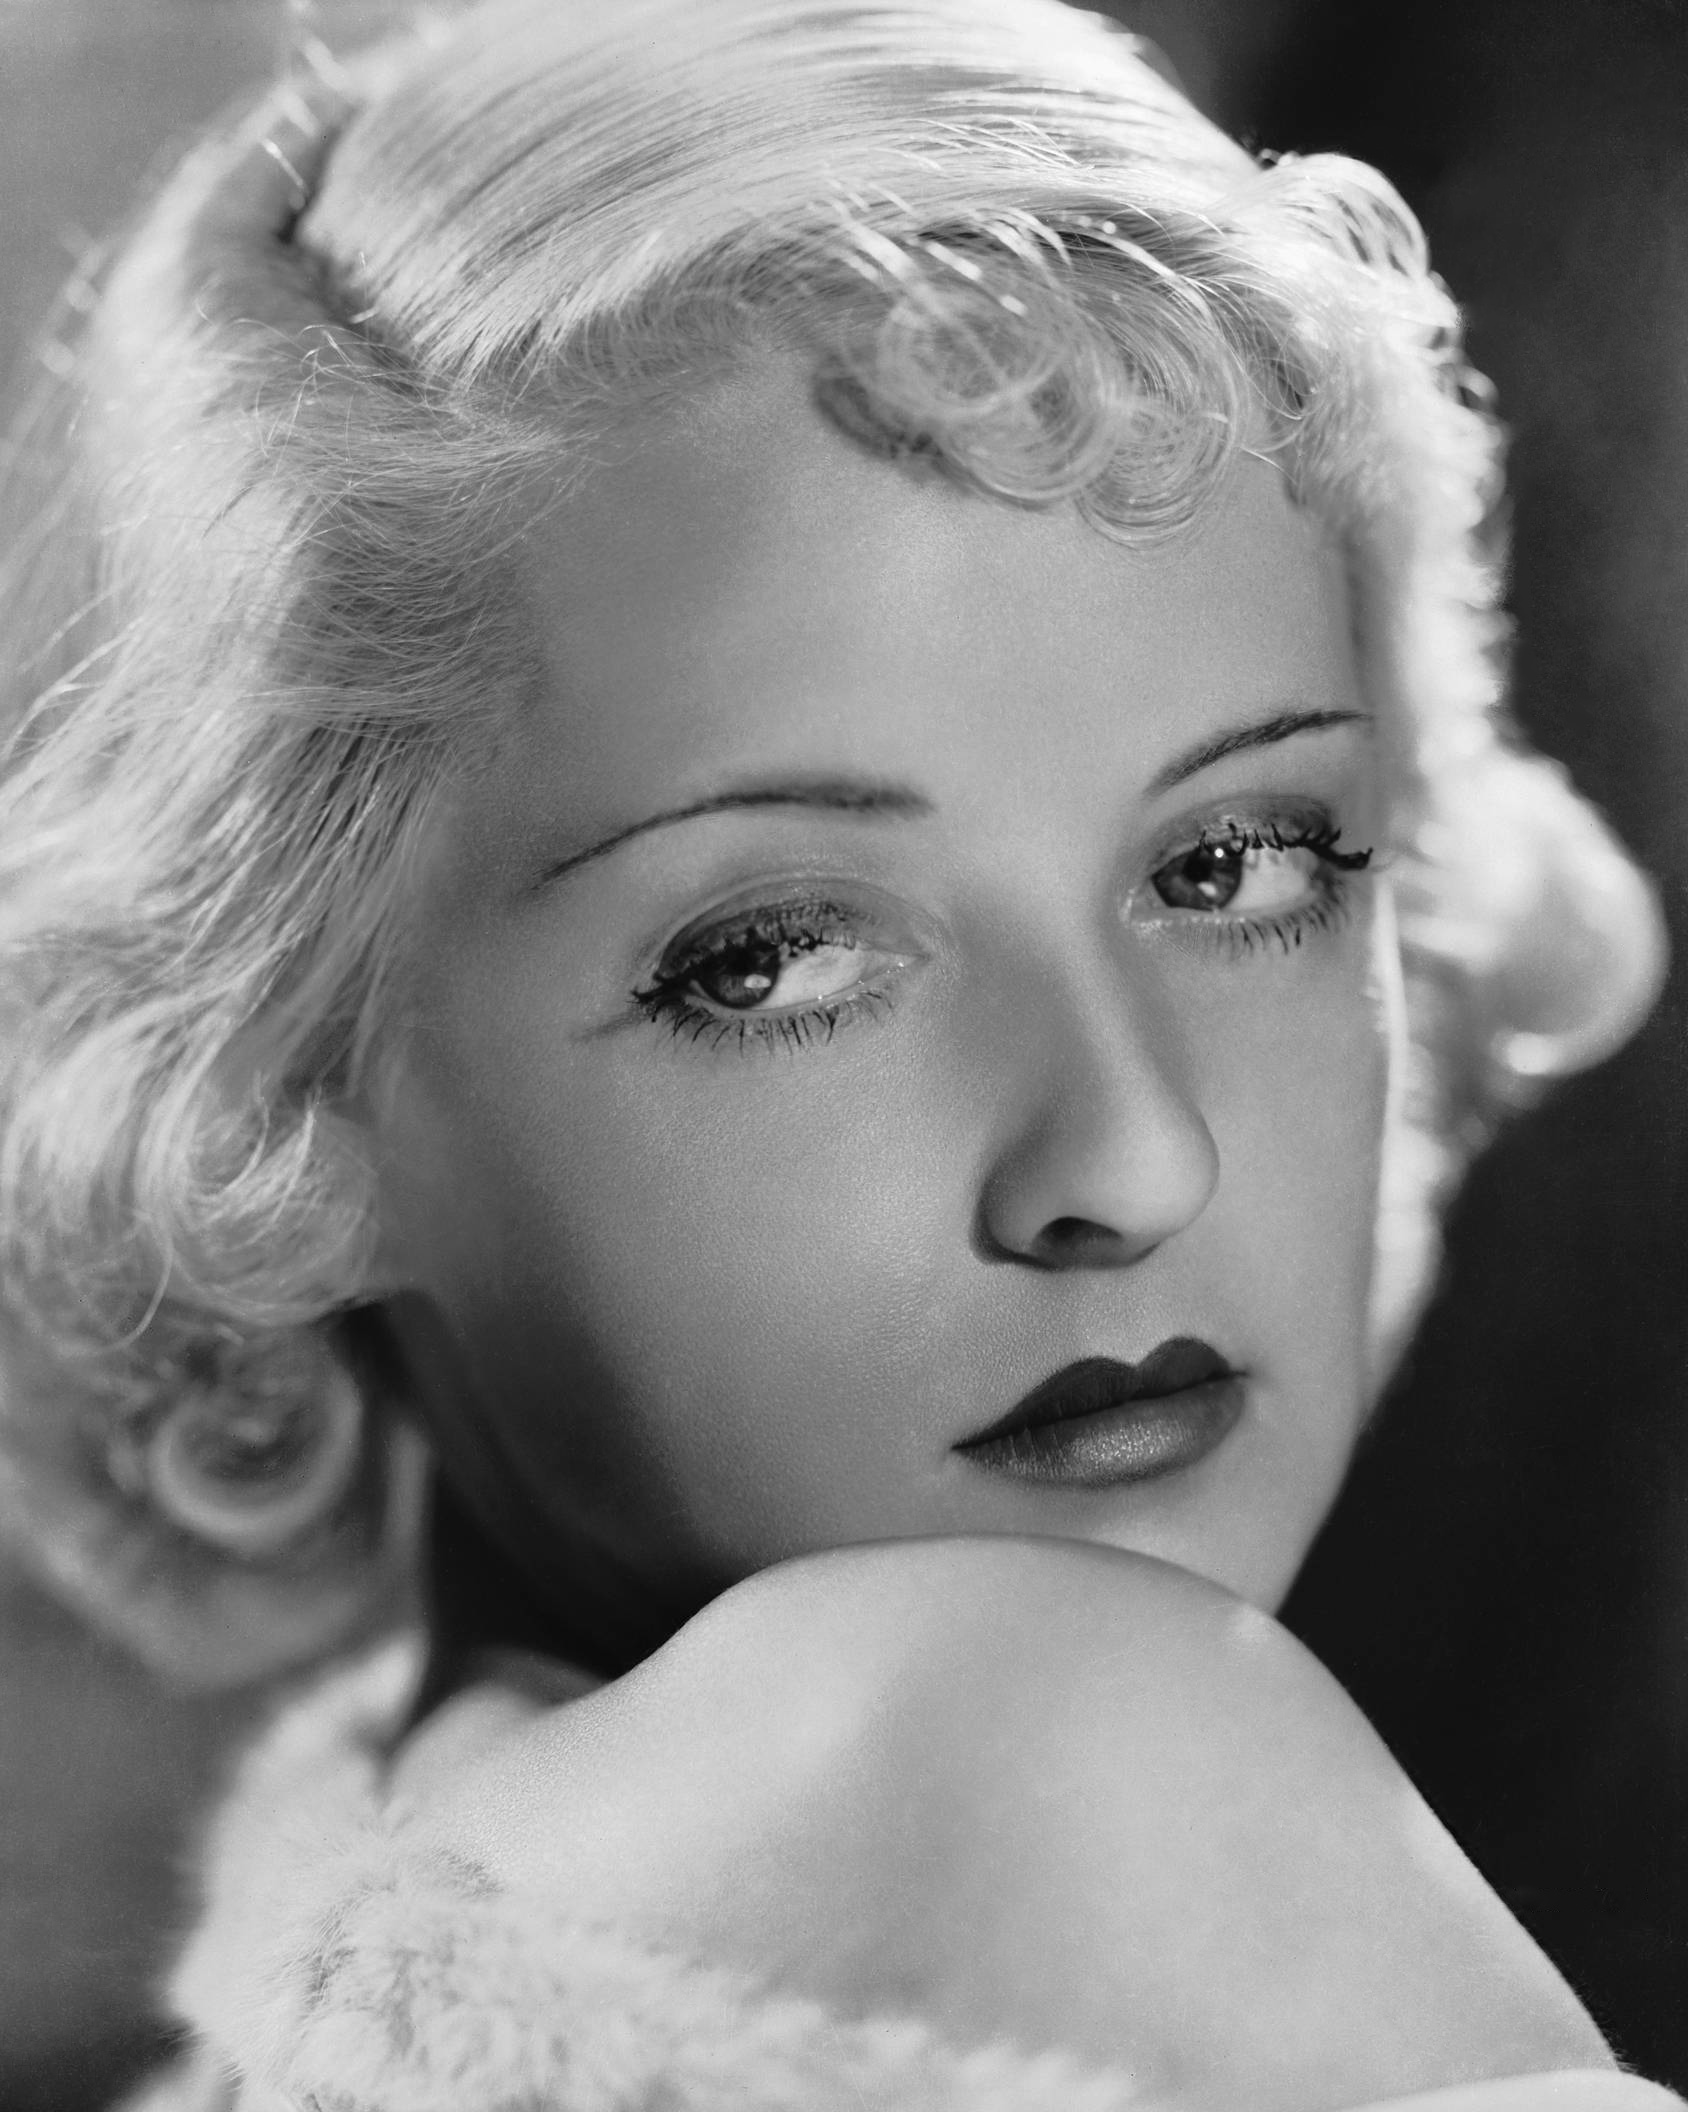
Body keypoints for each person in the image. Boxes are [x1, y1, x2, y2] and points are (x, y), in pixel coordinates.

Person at [0, 1, 1673, 2105]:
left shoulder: (379, 1935)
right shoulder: (1022, 1736)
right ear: (288, 1102)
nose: (1129, 1155)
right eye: (775, 958)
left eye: (1237, 862)